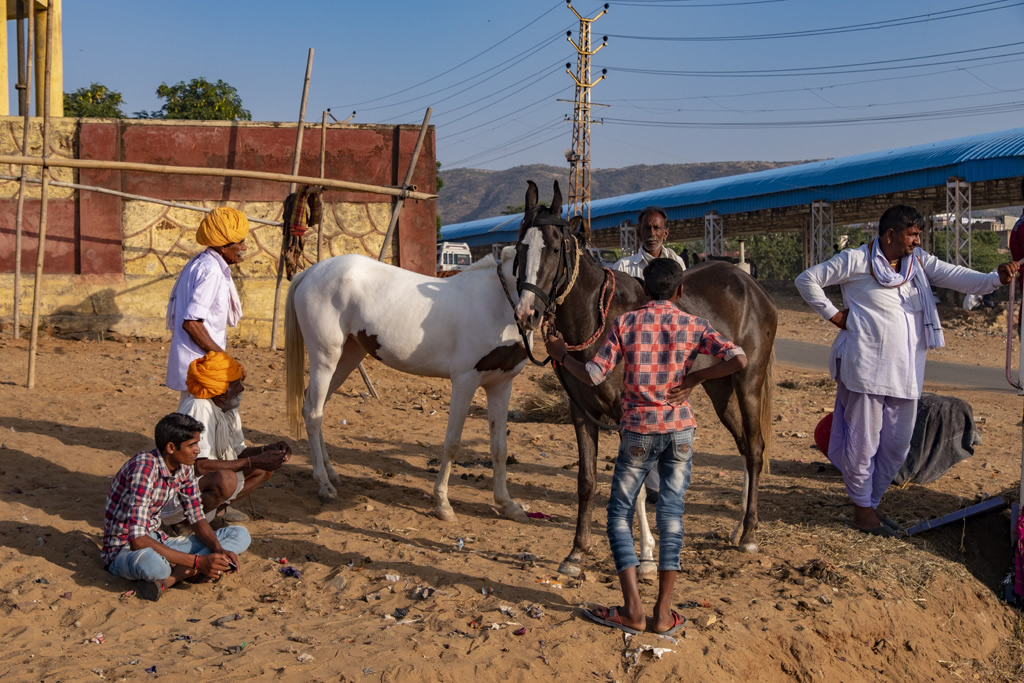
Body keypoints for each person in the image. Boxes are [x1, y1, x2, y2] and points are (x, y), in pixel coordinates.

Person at [544, 259, 747, 636]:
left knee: (618, 515)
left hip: (638, 430)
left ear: (644, 289)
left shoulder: (626, 323)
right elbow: (739, 358)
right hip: (680, 431)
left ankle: (633, 609)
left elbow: (592, 374)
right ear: (680, 290)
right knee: (672, 517)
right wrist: (697, 376)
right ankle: (664, 613)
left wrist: (561, 354)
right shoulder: (694, 325)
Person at [796, 204, 1019, 537]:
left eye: (919, 234)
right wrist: (834, 316)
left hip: (906, 372)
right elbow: (807, 279)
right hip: (865, 369)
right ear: (890, 235)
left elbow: (957, 276)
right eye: (912, 234)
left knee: (897, 446)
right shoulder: (856, 260)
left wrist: (995, 279)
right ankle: (862, 512)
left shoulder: (918, 263)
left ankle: (870, 503)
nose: (917, 241)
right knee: (863, 445)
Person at [102, 412, 251, 602]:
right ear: (171, 447)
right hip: (124, 549)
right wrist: (200, 561)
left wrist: (218, 550)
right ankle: (184, 570)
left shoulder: (184, 466)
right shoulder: (144, 468)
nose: (197, 450)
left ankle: (170, 580)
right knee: (156, 567)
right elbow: (137, 540)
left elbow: (196, 516)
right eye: (192, 445)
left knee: (240, 535)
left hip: (158, 540)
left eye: (197, 443)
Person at [160, 351, 291, 529]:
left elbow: (238, 451)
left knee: (263, 469)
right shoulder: (200, 407)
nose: (242, 389)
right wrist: (253, 460)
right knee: (227, 479)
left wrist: (267, 451)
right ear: (221, 393)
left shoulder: (227, 407)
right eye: (237, 384)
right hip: (179, 486)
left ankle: (214, 511)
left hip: (206, 478)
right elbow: (199, 466)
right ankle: (183, 524)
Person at [166, 207, 249, 401]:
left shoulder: (201, 263)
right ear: (223, 247)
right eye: (240, 242)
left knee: (193, 419)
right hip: (203, 365)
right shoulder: (211, 271)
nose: (244, 248)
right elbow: (192, 322)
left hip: (199, 362)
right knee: (202, 422)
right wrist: (225, 360)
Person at [613, 206, 687, 279]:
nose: (652, 233)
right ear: (639, 234)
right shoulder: (622, 267)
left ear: (665, 234)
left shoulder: (676, 262)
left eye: (656, 228)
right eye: (647, 228)